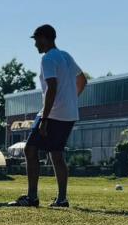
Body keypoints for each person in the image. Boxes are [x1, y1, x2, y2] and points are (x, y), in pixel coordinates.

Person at [10, 24, 87, 208]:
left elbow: (52, 88)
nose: (35, 44)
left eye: (36, 39)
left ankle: (32, 197)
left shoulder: (48, 59)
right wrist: (70, 99)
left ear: (45, 38)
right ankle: (61, 199)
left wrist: (44, 119)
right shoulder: (66, 56)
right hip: (68, 113)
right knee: (57, 154)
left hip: (52, 113)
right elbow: (82, 80)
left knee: (30, 150)